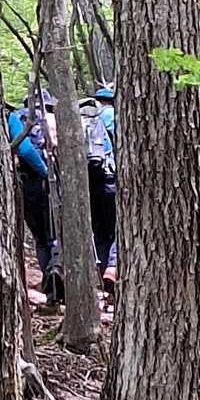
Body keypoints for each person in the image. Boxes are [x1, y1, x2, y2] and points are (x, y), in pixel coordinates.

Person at [9, 91, 63, 305]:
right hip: (47, 179)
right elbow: (28, 149)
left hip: (24, 182)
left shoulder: (16, 117)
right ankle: (55, 276)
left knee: (40, 238)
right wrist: (45, 171)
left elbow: (19, 149)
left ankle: (50, 289)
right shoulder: (51, 119)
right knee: (55, 234)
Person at [92, 83, 117, 289]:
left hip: (92, 183)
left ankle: (101, 274)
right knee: (117, 227)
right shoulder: (114, 117)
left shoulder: (90, 119)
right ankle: (113, 266)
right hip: (112, 179)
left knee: (100, 231)